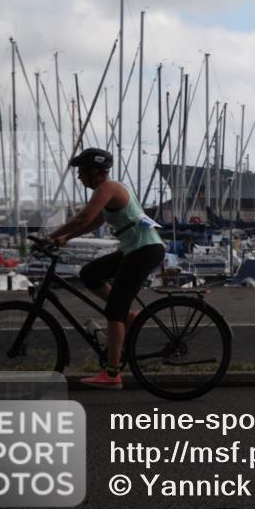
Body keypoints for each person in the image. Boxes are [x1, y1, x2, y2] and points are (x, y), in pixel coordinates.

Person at [47, 148, 165, 388]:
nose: (79, 177)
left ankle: (112, 375)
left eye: (81, 172)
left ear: (94, 172)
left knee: (113, 311)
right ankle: (128, 317)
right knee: (89, 274)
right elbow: (92, 222)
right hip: (136, 250)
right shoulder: (109, 192)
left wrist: (52, 235)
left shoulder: (107, 188)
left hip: (145, 250)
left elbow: (82, 217)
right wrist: (65, 239)